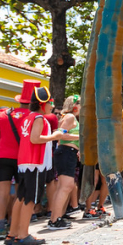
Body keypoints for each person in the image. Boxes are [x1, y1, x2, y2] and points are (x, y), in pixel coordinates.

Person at [9, 86, 64, 245]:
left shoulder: (28, 117)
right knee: (30, 199)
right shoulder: (39, 119)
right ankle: (23, 234)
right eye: (50, 102)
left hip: (25, 161)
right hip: (35, 162)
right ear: (42, 103)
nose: (52, 105)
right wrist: (54, 136)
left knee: (21, 198)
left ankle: (12, 234)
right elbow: (35, 139)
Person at [0, 81, 37, 240]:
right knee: (20, 194)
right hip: (22, 159)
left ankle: (0, 229)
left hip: (2, 157)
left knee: (2, 194)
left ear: (19, 100)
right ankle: (16, 227)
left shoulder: (2, 115)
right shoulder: (32, 117)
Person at [48, 95, 81, 230]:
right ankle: (55, 220)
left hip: (67, 153)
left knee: (63, 187)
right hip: (66, 152)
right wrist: (81, 136)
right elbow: (60, 134)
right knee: (65, 187)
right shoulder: (70, 117)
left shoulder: (69, 117)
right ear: (74, 105)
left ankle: (55, 218)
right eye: (80, 104)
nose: (82, 107)